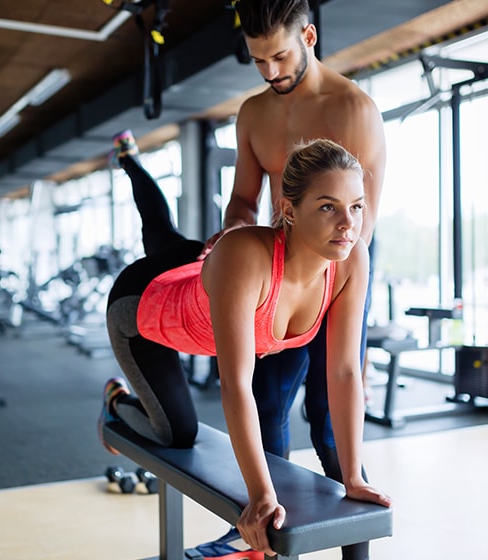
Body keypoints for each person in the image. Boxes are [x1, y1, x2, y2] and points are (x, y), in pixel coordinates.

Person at [99, 130, 392, 557]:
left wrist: (353, 478)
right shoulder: (246, 257)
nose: (348, 223)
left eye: (357, 206)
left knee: (164, 234)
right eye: (328, 207)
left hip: (201, 276)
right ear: (289, 210)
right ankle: (114, 402)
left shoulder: (350, 259)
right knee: (178, 435)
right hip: (142, 309)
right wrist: (260, 495)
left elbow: (345, 372)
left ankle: (130, 161)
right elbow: (236, 384)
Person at [201, 2, 387, 558]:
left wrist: (320, 287)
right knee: (267, 404)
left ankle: (354, 535)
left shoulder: (353, 108)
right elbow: (243, 200)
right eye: (258, 60)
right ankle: (264, 528)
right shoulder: (254, 113)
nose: (270, 71)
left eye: (280, 56)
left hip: (339, 269)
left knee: (329, 417)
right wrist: (234, 245)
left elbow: (357, 224)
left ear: (308, 36)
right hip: (276, 272)